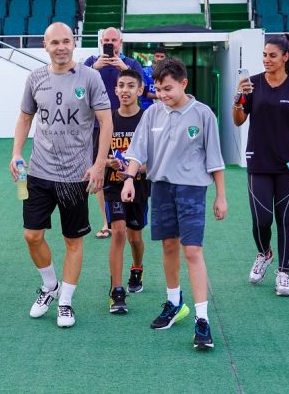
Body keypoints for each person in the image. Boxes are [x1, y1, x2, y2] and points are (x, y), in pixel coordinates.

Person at [10, 23, 113, 328]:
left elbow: (105, 123)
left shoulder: (90, 77)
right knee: (32, 235)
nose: (61, 47)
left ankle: (65, 302)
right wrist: (16, 152)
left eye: (66, 41)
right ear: (45, 45)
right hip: (39, 172)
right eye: (55, 42)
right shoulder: (35, 78)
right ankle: (49, 285)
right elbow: (25, 117)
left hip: (75, 175)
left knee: (73, 241)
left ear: (74, 43)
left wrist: (98, 165)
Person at [121, 57, 227, 350]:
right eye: (158, 89)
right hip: (162, 187)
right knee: (168, 246)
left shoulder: (204, 114)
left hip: (193, 189)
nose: (163, 94)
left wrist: (220, 195)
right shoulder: (152, 114)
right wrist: (129, 178)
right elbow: (137, 152)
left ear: (183, 84)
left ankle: (202, 319)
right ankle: (174, 302)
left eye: (168, 88)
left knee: (192, 251)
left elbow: (215, 159)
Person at [232, 34, 289, 297]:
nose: (267, 60)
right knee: (261, 219)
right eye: (265, 55)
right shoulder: (252, 84)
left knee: (284, 218)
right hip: (258, 159)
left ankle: (284, 272)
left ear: (285, 57)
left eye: (272, 55)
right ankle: (264, 253)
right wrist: (238, 97)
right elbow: (238, 120)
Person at [85, 27, 144, 239]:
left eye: (114, 40)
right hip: (97, 125)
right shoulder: (91, 62)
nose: (110, 43)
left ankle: (131, 217)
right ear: (101, 41)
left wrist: (124, 67)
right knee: (101, 169)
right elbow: (77, 86)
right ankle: (106, 221)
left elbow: (142, 87)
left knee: (132, 166)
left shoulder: (131, 63)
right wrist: (94, 67)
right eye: (107, 40)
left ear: (121, 42)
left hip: (126, 124)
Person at [104, 69, 149, 314]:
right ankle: (117, 290)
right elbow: (98, 155)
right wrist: (107, 163)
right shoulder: (108, 120)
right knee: (118, 233)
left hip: (140, 187)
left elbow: (154, 158)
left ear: (140, 90)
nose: (125, 90)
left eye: (131, 86)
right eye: (121, 85)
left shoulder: (147, 120)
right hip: (113, 186)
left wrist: (136, 171)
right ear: (115, 89)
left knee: (135, 237)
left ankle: (137, 267)